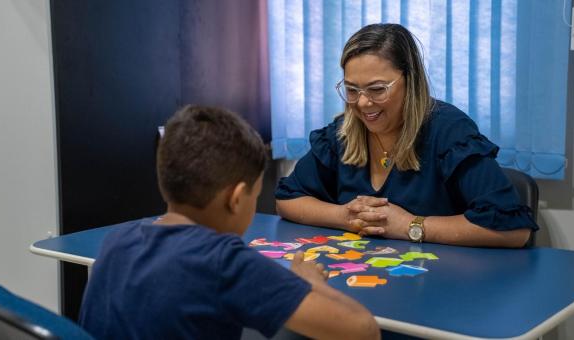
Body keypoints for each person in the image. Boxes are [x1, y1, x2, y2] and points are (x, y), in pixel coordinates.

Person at [78, 106, 380, 340]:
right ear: (236, 198)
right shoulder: (224, 262)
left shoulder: (117, 240)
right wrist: (308, 283)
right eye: (255, 195)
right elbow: (363, 330)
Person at [275, 23, 538, 248]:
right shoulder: (344, 131)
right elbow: (288, 199)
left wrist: (410, 226)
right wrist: (344, 216)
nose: (363, 103)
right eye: (352, 90)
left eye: (377, 89)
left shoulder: (449, 131)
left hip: (442, 286)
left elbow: (514, 231)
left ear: (410, 81)